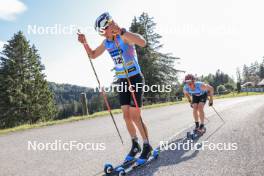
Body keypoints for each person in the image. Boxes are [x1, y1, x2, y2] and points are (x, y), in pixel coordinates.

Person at [77, 12, 152, 164]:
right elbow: (92, 55)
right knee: (126, 116)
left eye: (104, 30)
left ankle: (147, 145)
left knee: (135, 116)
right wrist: (84, 43)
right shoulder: (106, 43)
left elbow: (142, 42)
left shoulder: (123, 36)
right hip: (122, 80)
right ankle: (135, 144)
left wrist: (122, 31)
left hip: (135, 78)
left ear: (110, 26)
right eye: (102, 32)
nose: (103, 34)